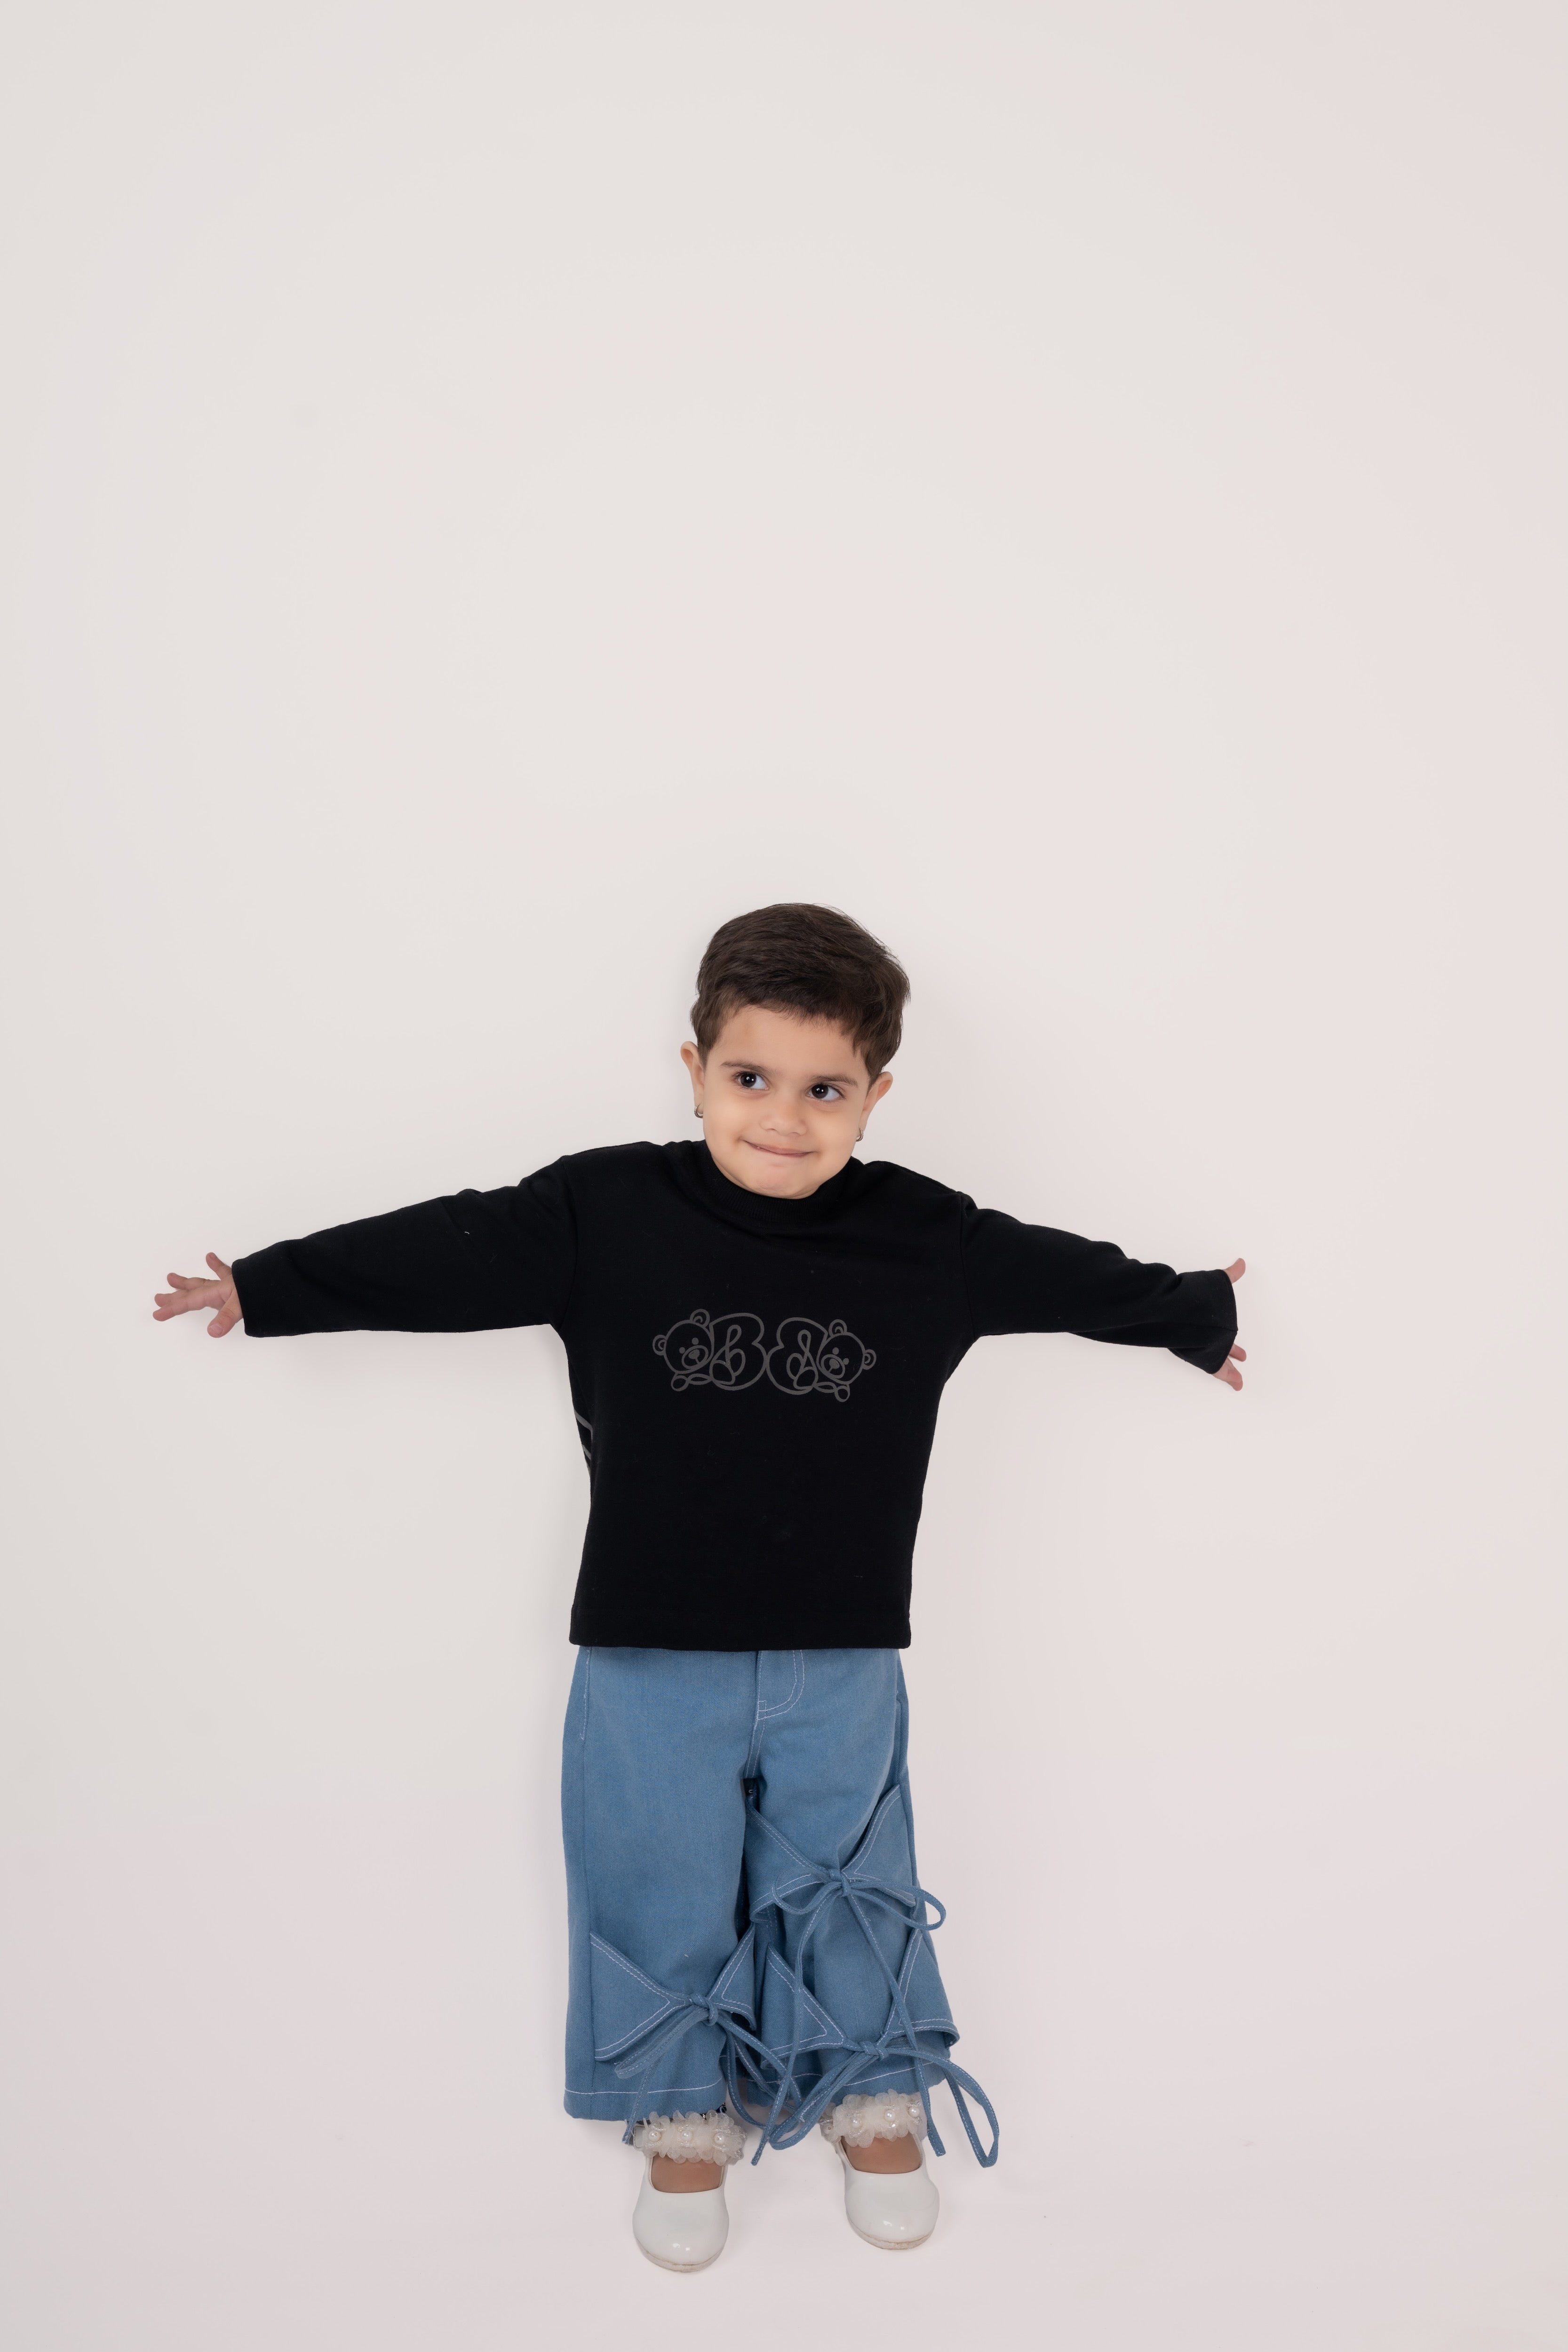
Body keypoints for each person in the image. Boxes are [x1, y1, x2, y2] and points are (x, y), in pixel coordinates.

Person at [153, 901, 1245, 2271]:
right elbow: (449, 1248)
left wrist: (1197, 1312)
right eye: (751, 1080)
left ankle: (874, 2083)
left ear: (876, 1096)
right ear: (695, 1068)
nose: (783, 1118)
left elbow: (1072, 1274)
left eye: (825, 1090)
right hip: (645, 1645)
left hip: (843, 1646)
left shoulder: (926, 1237)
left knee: (847, 1877)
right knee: (655, 1874)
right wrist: (266, 1286)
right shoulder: (602, 1209)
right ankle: (682, 2106)